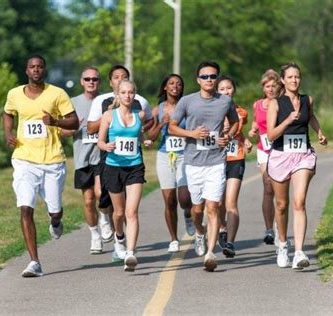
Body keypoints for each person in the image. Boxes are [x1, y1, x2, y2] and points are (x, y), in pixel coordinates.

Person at [2, 54, 79, 277]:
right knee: (25, 207)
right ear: (26, 71)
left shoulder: (57, 94)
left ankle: (55, 220)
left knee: (54, 210)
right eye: (32, 67)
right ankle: (34, 262)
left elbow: (73, 121)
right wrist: (8, 133)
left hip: (52, 160)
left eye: (40, 67)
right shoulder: (15, 94)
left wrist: (55, 122)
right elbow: (7, 113)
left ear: (44, 70)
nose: (36, 70)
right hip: (24, 159)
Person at [169, 61, 239, 271]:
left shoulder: (225, 101)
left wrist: (228, 135)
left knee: (213, 207)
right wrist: (191, 134)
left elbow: (235, 122)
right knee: (197, 209)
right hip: (193, 163)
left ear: (216, 78)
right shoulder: (187, 101)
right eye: (205, 76)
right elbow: (172, 127)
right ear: (198, 79)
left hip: (216, 161)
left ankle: (210, 253)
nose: (209, 80)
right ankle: (199, 232)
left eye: (212, 76)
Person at [266, 62, 327, 270]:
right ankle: (283, 245)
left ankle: (299, 252)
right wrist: (287, 121)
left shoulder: (307, 100)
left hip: (303, 156)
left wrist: (319, 132)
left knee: (299, 202)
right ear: (283, 80)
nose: (294, 80)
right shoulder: (275, 103)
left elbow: (311, 117)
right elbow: (271, 134)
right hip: (280, 156)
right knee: (281, 205)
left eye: (297, 77)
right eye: (290, 77)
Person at [86, 65, 153, 237]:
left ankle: (124, 242)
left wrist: (141, 136)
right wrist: (109, 116)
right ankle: (105, 217)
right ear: (111, 82)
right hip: (109, 155)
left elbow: (148, 121)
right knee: (103, 194)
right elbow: (91, 128)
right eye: (116, 77)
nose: (120, 79)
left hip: (133, 160)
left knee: (128, 210)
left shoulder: (140, 102)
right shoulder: (101, 101)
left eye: (124, 76)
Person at [60, 67, 113, 254]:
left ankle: (105, 219)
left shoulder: (106, 101)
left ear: (100, 82)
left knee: (100, 194)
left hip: (102, 155)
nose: (91, 82)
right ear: (81, 81)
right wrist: (75, 127)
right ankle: (95, 235)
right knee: (89, 199)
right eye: (87, 79)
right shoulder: (72, 103)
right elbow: (62, 131)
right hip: (82, 158)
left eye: (95, 79)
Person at [97, 79, 145, 272]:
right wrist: (106, 146)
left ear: (134, 94)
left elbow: (139, 136)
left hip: (134, 167)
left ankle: (131, 254)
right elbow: (100, 141)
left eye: (131, 92)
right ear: (118, 94)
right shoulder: (109, 116)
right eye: (124, 92)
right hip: (113, 167)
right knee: (118, 213)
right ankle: (119, 237)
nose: (128, 96)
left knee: (131, 213)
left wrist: (146, 141)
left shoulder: (139, 115)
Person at [147, 74, 195, 253]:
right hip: (165, 156)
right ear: (165, 87)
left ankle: (188, 215)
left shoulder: (187, 106)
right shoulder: (158, 109)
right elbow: (150, 136)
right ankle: (174, 239)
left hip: (184, 155)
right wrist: (161, 125)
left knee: (184, 198)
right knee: (169, 200)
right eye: (171, 83)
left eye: (179, 84)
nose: (175, 86)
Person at [215, 76, 252, 258]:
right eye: (221, 89)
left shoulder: (241, 113)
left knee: (231, 202)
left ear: (234, 90)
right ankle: (221, 227)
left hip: (235, 158)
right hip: (215, 159)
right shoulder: (211, 110)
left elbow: (236, 129)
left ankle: (230, 242)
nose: (226, 92)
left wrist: (243, 141)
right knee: (218, 203)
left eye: (228, 88)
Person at [248, 69, 284, 246]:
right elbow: (257, 120)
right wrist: (253, 129)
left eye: (273, 86)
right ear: (263, 88)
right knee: (268, 186)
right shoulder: (258, 104)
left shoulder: (281, 103)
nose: (270, 89)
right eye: (267, 86)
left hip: (280, 149)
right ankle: (269, 229)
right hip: (264, 149)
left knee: (280, 192)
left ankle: (280, 228)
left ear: (278, 87)